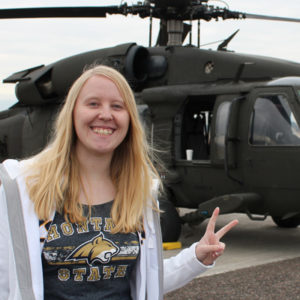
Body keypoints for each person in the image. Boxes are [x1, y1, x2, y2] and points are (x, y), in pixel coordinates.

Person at [0, 65, 238, 300]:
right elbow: (5, 281)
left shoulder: (139, 191)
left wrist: (195, 257)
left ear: (130, 120)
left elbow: (148, 281)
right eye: (93, 104)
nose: (106, 114)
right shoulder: (22, 188)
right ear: (72, 113)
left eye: (117, 106)